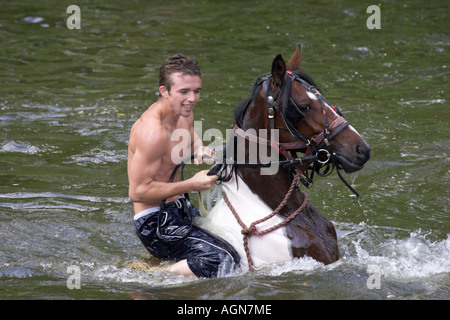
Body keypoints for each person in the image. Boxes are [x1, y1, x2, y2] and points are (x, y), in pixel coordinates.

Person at [127, 54, 240, 278]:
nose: (192, 98)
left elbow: (189, 133)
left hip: (181, 207)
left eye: (196, 91)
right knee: (223, 259)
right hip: (156, 222)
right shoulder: (152, 133)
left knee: (239, 236)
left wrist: (198, 147)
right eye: (184, 92)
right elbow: (137, 191)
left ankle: (158, 263)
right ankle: (149, 277)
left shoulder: (182, 112)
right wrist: (191, 184)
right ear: (164, 91)